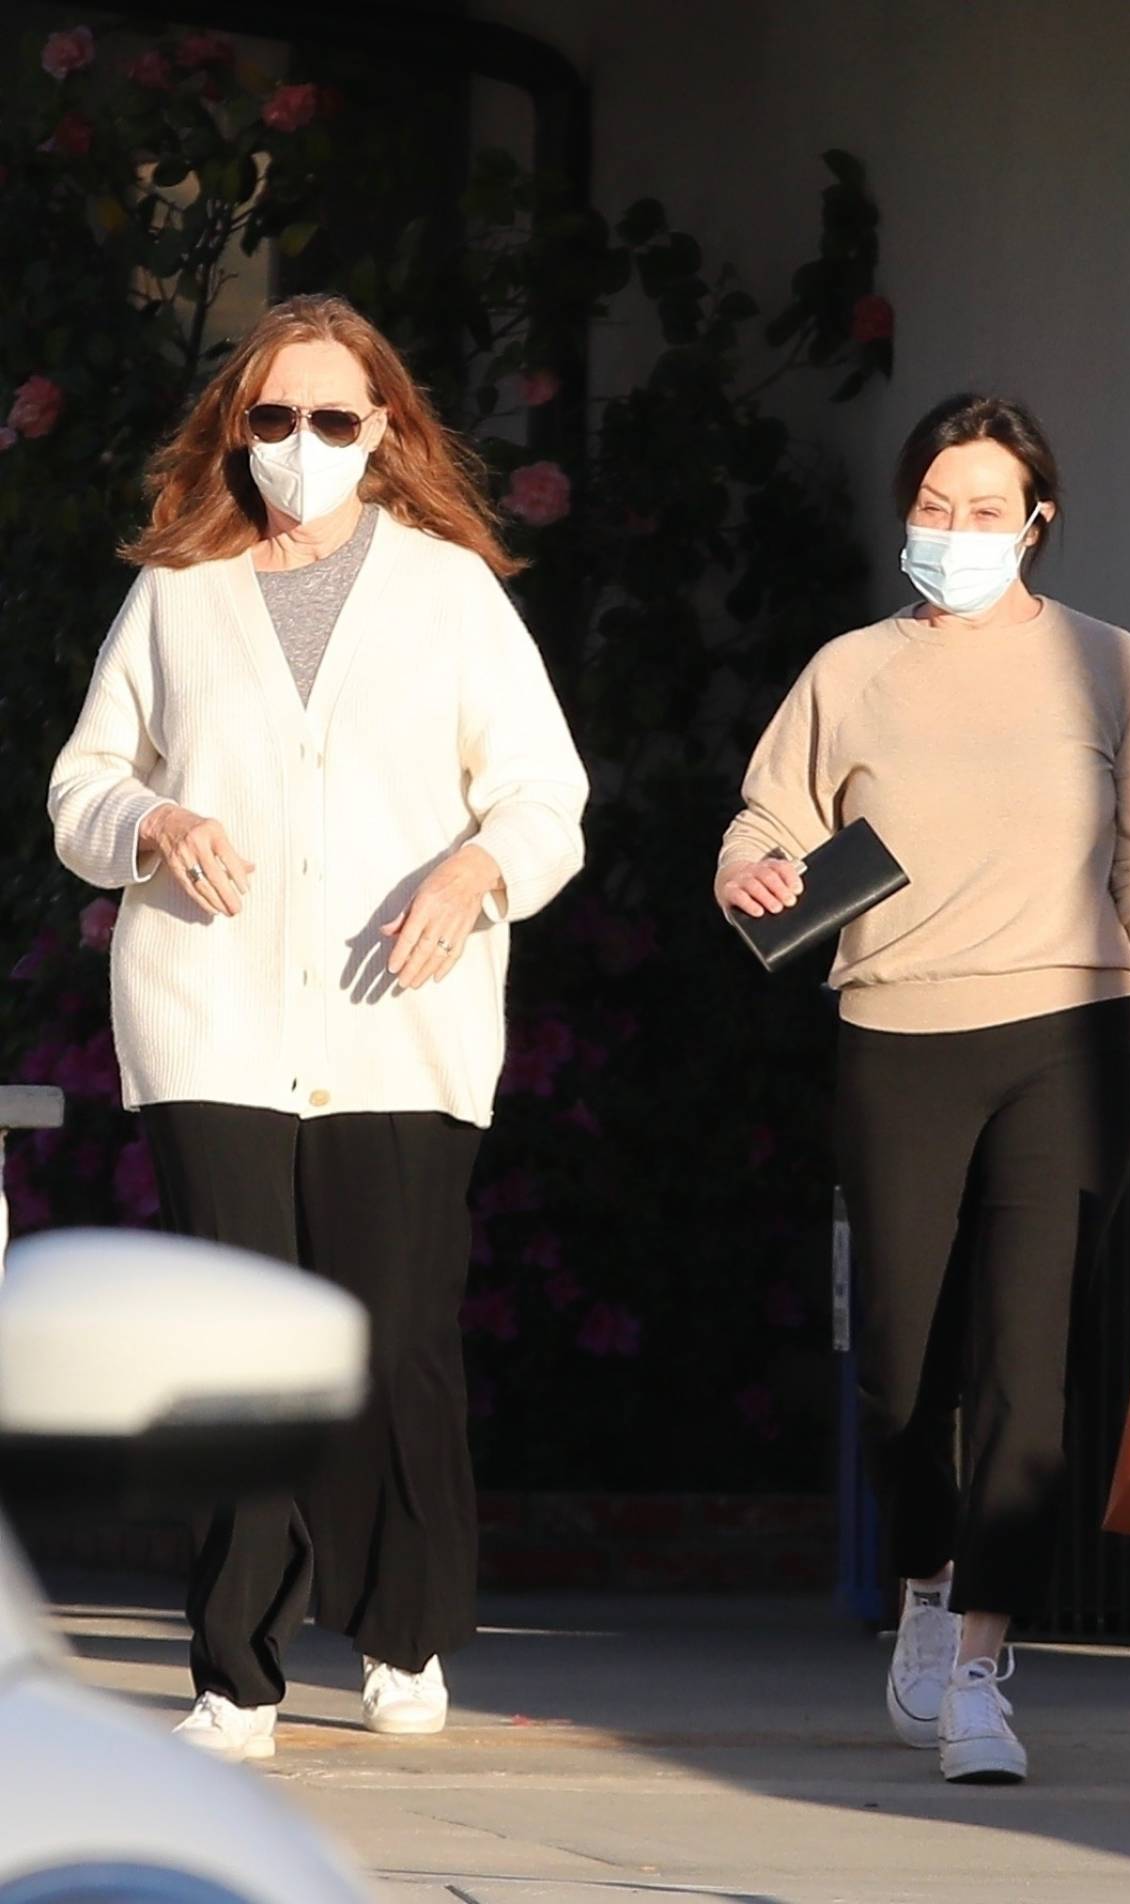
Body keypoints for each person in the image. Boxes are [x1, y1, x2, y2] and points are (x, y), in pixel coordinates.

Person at [49, 294, 588, 1763]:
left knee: (392, 1334)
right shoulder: (178, 592)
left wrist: (479, 869)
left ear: (386, 432)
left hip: (398, 1026)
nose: (301, 444)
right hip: (211, 1019)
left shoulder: (453, 592)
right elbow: (80, 787)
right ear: (239, 432)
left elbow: (546, 798)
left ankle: (403, 1630)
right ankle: (238, 1668)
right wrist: (151, 818)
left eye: (334, 419)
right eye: (272, 419)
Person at [715, 393, 1130, 1785]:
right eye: (932, 508)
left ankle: (979, 1666)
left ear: (1038, 519)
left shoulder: (1107, 667)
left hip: (1074, 1039)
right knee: (903, 1368)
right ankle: (922, 1583)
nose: (954, 532)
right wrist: (750, 871)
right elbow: (768, 826)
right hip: (898, 1032)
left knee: (1030, 1364)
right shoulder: (852, 671)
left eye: (983, 509)